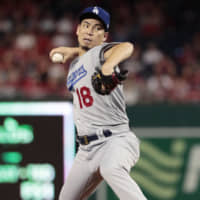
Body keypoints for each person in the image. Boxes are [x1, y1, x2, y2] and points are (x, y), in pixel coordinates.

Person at [49, 6, 147, 200]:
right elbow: (55, 54)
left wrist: (109, 66)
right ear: (77, 30)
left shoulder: (102, 52)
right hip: (85, 150)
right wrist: (72, 51)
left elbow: (126, 47)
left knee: (110, 168)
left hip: (115, 140)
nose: (90, 31)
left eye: (97, 28)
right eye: (86, 25)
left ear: (104, 37)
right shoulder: (75, 65)